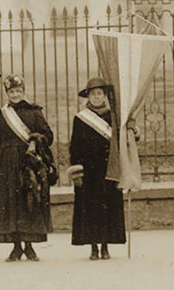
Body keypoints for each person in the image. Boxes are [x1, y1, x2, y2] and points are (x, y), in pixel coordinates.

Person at [0, 74, 56, 262]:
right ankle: (16, 247)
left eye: (18, 91)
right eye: (12, 91)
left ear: (24, 92)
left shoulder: (35, 113)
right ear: (7, 93)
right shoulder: (1, 116)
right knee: (11, 204)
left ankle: (29, 247)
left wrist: (36, 138)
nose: (15, 94)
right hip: (7, 165)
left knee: (29, 201)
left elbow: (49, 136)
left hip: (28, 163)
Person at [68, 77, 126, 260]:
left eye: (100, 94)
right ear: (88, 97)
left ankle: (105, 246)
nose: (97, 97)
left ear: (104, 96)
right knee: (91, 209)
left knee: (108, 207)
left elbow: (122, 142)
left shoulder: (113, 117)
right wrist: (77, 172)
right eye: (93, 94)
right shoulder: (80, 118)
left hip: (109, 169)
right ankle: (93, 246)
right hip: (89, 171)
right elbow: (74, 147)